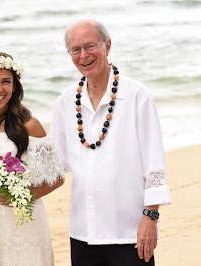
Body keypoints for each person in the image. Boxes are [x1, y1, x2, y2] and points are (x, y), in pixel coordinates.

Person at [49, 18, 171, 266]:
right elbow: (55, 165)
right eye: (75, 49)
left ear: (107, 46)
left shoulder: (137, 97)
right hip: (82, 234)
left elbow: (154, 166)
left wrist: (151, 218)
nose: (84, 55)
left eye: (90, 46)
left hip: (130, 234)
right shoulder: (64, 102)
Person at [0, 52, 65, 266]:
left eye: (6, 82)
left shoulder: (29, 125)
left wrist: (20, 197)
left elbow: (57, 178)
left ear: (15, 87)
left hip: (25, 226)